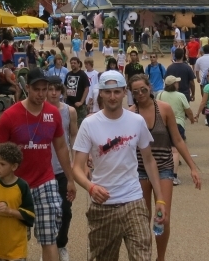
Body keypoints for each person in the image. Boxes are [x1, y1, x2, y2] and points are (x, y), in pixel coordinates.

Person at [70, 70, 164, 261]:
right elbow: (77, 168)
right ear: (101, 93)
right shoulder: (89, 124)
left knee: (142, 257)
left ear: (124, 92)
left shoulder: (137, 121)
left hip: (133, 200)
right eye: (107, 91)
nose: (112, 97)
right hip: (103, 205)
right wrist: (91, 187)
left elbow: (149, 160)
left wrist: (160, 199)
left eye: (117, 92)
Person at [0, 67, 76, 261]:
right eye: (36, 89)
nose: (41, 93)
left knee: (49, 238)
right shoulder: (11, 115)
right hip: (17, 183)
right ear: (27, 87)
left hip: (45, 182)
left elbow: (61, 147)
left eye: (44, 89)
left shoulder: (52, 114)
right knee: (15, 238)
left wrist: (70, 178)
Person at [127, 74, 200, 261]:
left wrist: (192, 167)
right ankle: (144, 255)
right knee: (143, 218)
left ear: (150, 87)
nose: (141, 94)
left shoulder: (164, 109)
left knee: (162, 216)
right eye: (136, 92)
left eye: (143, 89)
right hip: (140, 170)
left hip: (164, 168)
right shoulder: (130, 114)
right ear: (131, 93)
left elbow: (177, 139)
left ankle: (161, 257)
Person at [0, 143, 36, 261]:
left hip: (17, 248)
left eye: (2, 164)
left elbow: (29, 215)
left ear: (14, 167)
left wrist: (9, 210)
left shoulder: (22, 186)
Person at [46, 76, 78, 261]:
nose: (53, 93)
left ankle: (61, 244)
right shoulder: (40, 110)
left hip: (63, 169)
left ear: (61, 91)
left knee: (65, 210)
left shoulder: (70, 111)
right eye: (50, 89)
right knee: (48, 211)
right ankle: (48, 249)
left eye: (57, 90)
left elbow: (73, 135)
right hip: (44, 169)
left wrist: (75, 162)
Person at [154, 75, 196, 186]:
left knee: (164, 149)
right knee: (175, 150)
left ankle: (161, 172)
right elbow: (188, 110)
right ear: (174, 85)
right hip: (177, 123)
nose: (178, 84)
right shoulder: (180, 95)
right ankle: (174, 176)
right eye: (176, 82)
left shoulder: (160, 94)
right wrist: (192, 119)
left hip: (162, 124)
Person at [64, 56, 90, 123]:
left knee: (80, 124)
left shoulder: (83, 74)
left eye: (74, 63)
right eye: (71, 63)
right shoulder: (68, 74)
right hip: (69, 104)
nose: (73, 64)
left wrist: (81, 102)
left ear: (79, 64)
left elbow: (86, 88)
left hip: (79, 106)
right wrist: (65, 96)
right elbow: (65, 86)